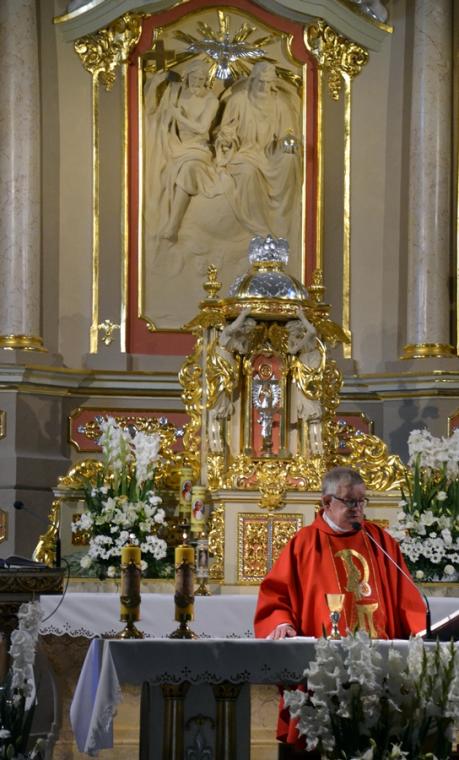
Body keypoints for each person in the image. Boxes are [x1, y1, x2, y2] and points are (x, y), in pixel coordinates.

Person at [254, 466, 426, 751]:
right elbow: (276, 594)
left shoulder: (380, 540)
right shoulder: (304, 543)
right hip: (324, 669)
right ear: (326, 502)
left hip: (379, 666)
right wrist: (280, 621)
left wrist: (421, 631)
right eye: (350, 501)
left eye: (361, 501)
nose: (358, 509)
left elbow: (406, 596)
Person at [218, 61, 302, 240]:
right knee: (248, 172)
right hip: (244, 153)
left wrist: (288, 142)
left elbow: (288, 134)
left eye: (268, 82)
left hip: (269, 153)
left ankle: (283, 216)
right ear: (253, 80)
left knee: (290, 159)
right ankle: (259, 227)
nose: (264, 87)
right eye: (260, 82)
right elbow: (225, 131)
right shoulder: (238, 101)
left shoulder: (280, 104)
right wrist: (227, 140)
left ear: (273, 83)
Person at [144, 60, 219, 243]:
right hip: (173, 145)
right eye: (194, 78)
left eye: (201, 79)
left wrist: (178, 115)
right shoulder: (174, 92)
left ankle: (173, 226)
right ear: (187, 76)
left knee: (188, 168)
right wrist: (154, 83)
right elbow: (151, 110)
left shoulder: (211, 100)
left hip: (198, 149)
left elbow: (202, 128)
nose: (197, 82)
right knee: (157, 168)